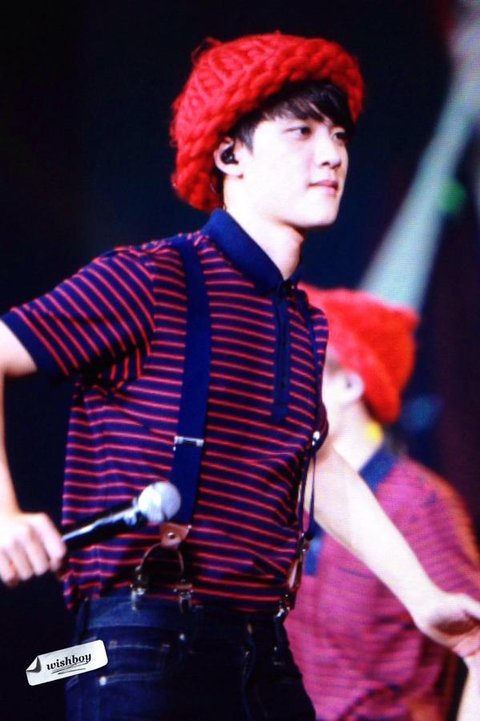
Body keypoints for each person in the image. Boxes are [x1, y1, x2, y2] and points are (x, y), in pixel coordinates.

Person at [1, 31, 480, 721]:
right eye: (301, 132)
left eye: (339, 135)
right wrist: (4, 513)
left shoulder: (300, 322)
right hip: (141, 645)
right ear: (230, 155)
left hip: (262, 653)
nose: (332, 153)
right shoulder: (153, 278)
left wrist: (422, 598)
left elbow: (316, 462)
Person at [285, 286, 480, 720]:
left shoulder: (417, 504)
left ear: (349, 383)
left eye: (303, 361)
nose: (285, 377)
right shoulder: (292, 491)